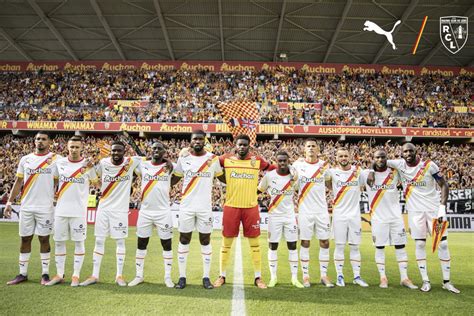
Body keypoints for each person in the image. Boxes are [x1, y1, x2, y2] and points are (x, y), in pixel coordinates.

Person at [370, 143, 460, 293]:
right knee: (419, 245)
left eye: (411, 150)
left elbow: (444, 185)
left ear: (416, 151)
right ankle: (426, 281)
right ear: (401, 153)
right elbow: (379, 160)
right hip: (414, 212)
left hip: (434, 211)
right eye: (405, 151)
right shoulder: (399, 164)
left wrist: (442, 208)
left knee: (443, 245)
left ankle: (447, 281)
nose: (408, 153)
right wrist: (371, 171)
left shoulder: (429, 165)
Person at [213, 134, 273, 289]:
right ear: (235, 145)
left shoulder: (256, 161)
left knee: (255, 245)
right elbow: (208, 160)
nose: (242, 147)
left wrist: (292, 167)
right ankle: (222, 276)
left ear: (249, 146)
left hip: (251, 207)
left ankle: (258, 277)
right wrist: (185, 150)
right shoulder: (226, 159)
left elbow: (272, 169)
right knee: (226, 244)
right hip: (231, 206)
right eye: (239, 144)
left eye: (245, 145)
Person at [80, 140, 141, 287]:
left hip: (120, 210)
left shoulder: (131, 162)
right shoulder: (103, 163)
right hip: (103, 208)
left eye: (119, 150)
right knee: (99, 241)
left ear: (124, 152)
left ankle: (119, 276)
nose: (115, 153)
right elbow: (95, 180)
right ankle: (95, 275)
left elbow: (149, 163)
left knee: (120, 242)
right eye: (113, 150)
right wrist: (88, 167)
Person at [5, 131, 61, 285]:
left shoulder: (57, 160)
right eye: (37, 139)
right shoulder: (26, 159)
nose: (40, 141)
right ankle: (22, 274)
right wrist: (9, 202)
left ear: (49, 141)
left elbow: (60, 181)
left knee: (44, 238)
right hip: (27, 206)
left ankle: (45, 274)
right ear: (34, 141)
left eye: (43, 139)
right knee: (25, 238)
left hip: (46, 207)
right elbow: (18, 182)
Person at [171, 130, 225, 289]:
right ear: (190, 141)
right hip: (186, 206)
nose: (197, 141)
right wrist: (161, 177)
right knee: (184, 239)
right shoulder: (184, 157)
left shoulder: (212, 159)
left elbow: (222, 177)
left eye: (201, 139)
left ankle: (206, 277)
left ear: (204, 141)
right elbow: (175, 178)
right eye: (195, 139)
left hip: (204, 208)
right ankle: (182, 277)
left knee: (205, 240)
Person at [360, 149, 417, 289]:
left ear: (387, 158)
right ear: (373, 159)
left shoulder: (395, 172)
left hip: (396, 217)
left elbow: (406, 164)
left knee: (400, 246)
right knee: (379, 247)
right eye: (377, 157)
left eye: (383, 157)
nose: (380, 160)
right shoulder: (365, 174)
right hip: (378, 218)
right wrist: (372, 171)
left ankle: (404, 278)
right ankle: (383, 278)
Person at [45, 136, 97, 287]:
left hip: (79, 212)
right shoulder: (59, 163)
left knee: (79, 243)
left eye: (77, 147)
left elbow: (97, 184)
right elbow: (53, 182)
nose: (74, 149)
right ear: (67, 148)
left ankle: (75, 275)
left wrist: (94, 167)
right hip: (60, 210)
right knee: (59, 242)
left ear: (82, 148)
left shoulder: (88, 165)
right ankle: (59, 274)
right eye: (71, 147)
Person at [128, 141, 175, 288]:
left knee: (166, 244)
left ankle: (167, 277)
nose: (156, 150)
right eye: (154, 148)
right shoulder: (143, 165)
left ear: (164, 151)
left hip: (163, 212)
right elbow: (128, 161)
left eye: (159, 149)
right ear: (150, 150)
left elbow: (183, 161)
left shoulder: (169, 167)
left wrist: (169, 162)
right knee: (141, 243)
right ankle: (139, 275)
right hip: (145, 212)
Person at [258, 151, 304, 288]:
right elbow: (259, 190)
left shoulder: (294, 177)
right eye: (280, 161)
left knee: (292, 246)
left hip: (290, 216)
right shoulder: (269, 176)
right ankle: (273, 277)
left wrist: (295, 176)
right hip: (274, 217)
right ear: (276, 161)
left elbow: (299, 190)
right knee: (273, 246)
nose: (282, 163)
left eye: (285, 160)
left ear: (288, 161)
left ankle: (295, 278)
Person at [293, 138, 334, 288]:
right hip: (304, 210)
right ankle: (305, 276)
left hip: (322, 210)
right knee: (305, 242)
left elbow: (330, 183)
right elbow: (293, 184)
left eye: (313, 146)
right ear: (304, 149)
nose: (311, 148)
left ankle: (324, 275)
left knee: (325, 241)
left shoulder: (324, 166)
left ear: (318, 150)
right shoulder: (297, 165)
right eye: (308, 146)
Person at [325, 148, 368, 287]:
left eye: (345, 155)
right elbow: (327, 184)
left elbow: (369, 180)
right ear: (336, 158)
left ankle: (357, 276)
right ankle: (339, 276)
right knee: (339, 246)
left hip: (355, 215)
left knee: (355, 246)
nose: (343, 158)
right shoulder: (332, 172)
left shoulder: (358, 172)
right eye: (341, 156)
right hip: (339, 216)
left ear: (350, 157)